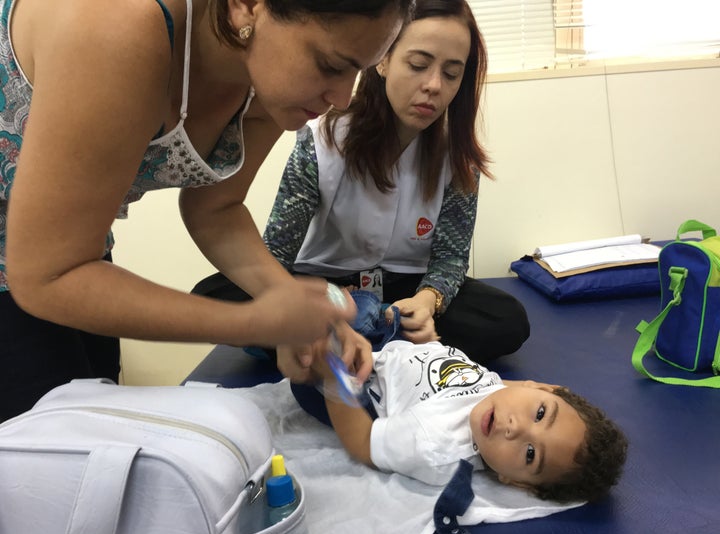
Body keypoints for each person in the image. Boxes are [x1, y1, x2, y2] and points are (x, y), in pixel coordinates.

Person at [0, 0, 415, 422]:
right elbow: (48, 276)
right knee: (47, 437)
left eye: (359, 69)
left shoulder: (266, 74)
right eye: (330, 65)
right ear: (247, 6)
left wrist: (292, 305)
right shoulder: (118, 22)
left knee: (93, 412)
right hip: (42, 263)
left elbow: (217, 208)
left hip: (66, 248)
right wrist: (251, 324)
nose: (342, 99)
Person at [193, 0, 530, 376]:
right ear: (381, 60)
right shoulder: (322, 138)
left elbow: (450, 258)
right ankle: (380, 341)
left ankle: (356, 338)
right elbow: (276, 253)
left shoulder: (458, 157)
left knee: (506, 319)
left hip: (406, 289)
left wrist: (427, 299)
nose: (433, 85)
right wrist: (329, 298)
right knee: (217, 295)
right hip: (326, 285)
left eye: (451, 74)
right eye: (418, 65)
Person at [312, 337, 629, 503]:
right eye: (541, 413)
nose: (514, 427)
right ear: (543, 387)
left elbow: (364, 443)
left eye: (530, 454)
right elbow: (510, 387)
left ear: (514, 481)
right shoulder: (499, 394)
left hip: (359, 382)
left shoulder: (435, 447)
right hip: (389, 346)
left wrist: (331, 375)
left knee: (308, 328)